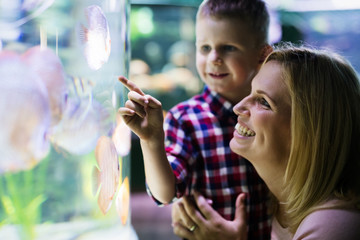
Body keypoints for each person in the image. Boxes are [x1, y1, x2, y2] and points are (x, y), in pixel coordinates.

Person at [171, 43, 360, 240]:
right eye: (250, 93)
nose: (238, 107)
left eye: (263, 102)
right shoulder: (279, 205)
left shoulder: (334, 227)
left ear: (309, 133)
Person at [118, 0, 273, 239]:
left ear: (262, 55)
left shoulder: (277, 113)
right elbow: (165, 193)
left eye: (228, 48)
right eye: (204, 48)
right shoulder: (185, 118)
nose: (214, 58)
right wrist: (151, 141)